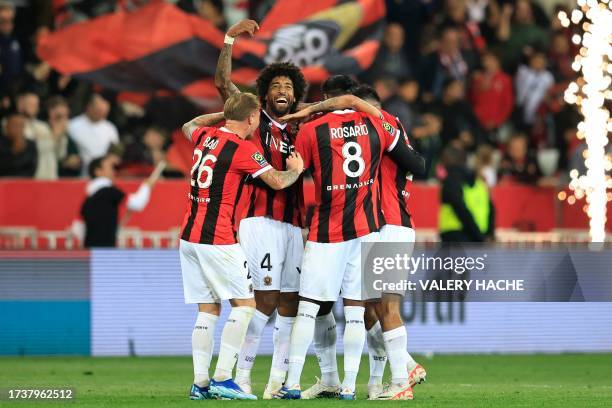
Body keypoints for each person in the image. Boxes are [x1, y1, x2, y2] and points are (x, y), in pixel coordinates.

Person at [276, 76, 424, 400]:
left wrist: (307, 113)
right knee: (365, 308)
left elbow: (293, 175)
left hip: (369, 228)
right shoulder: (382, 127)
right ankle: (368, 382)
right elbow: (418, 164)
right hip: (374, 227)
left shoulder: (318, 129)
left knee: (371, 307)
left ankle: (400, 376)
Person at [178, 92, 304, 401]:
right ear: (250, 118)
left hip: (188, 238)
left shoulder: (205, 136)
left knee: (207, 310)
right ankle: (222, 378)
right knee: (245, 306)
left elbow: (188, 125)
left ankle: (200, 384)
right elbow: (276, 181)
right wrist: (297, 169)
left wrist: (223, 115)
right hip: (218, 238)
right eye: (256, 116)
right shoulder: (242, 149)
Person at [214, 18, 309, 398]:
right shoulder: (254, 121)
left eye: (289, 86)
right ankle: (242, 376)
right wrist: (228, 40)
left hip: (294, 224)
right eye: (276, 85)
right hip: (260, 222)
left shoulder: (302, 127)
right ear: (264, 94)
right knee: (264, 300)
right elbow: (223, 85)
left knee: (291, 301)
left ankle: (277, 382)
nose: (283, 89)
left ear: (296, 93)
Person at [351, 84, 427, 400]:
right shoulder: (390, 138)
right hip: (381, 228)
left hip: (390, 227)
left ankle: (401, 380)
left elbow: (421, 166)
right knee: (371, 308)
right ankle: (402, 369)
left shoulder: (384, 131)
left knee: (386, 306)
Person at [80, 154, 154, 247]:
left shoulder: (89, 197)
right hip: (104, 248)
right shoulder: (109, 191)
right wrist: (146, 186)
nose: (113, 170)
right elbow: (137, 203)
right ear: (98, 171)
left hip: (89, 247)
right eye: (110, 167)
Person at [438, 144, 495, 242]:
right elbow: (491, 209)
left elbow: (460, 209)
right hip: (478, 236)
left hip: (456, 236)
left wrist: (478, 235)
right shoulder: (479, 182)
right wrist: (488, 235)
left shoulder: (451, 181)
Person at [68, 93, 119, 174]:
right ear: (89, 107)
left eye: (104, 112)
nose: (101, 114)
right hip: (80, 173)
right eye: (98, 110)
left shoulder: (110, 128)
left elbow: (115, 151)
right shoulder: (73, 126)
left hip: (102, 173)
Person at [16, 91, 57, 179]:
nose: (35, 107)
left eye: (36, 105)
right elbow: (29, 149)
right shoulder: (14, 125)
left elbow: (58, 153)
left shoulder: (43, 126)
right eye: (31, 104)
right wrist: (55, 135)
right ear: (21, 105)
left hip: (50, 177)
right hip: (30, 178)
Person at [46, 96, 81, 177]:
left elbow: (75, 156)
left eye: (65, 117)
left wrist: (75, 161)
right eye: (59, 117)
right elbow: (43, 158)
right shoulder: (42, 130)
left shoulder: (68, 135)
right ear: (50, 113)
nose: (63, 121)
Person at [0, 112, 37, 177]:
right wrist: (13, 152)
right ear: (7, 127)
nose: (18, 128)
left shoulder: (31, 144)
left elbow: (32, 168)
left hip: (23, 183)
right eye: (15, 125)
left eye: (21, 125)